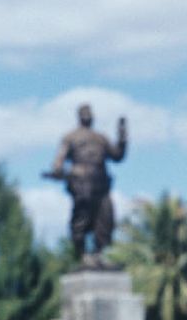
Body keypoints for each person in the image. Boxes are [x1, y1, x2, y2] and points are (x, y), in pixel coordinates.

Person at [47, 103, 128, 259]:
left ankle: (99, 254)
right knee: (81, 218)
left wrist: (122, 137)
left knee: (106, 218)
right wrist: (57, 169)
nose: (87, 116)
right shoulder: (71, 137)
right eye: (84, 113)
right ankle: (82, 253)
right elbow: (59, 159)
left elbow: (117, 156)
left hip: (101, 183)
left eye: (89, 113)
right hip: (81, 183)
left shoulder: (101, 138)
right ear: (79, 116)